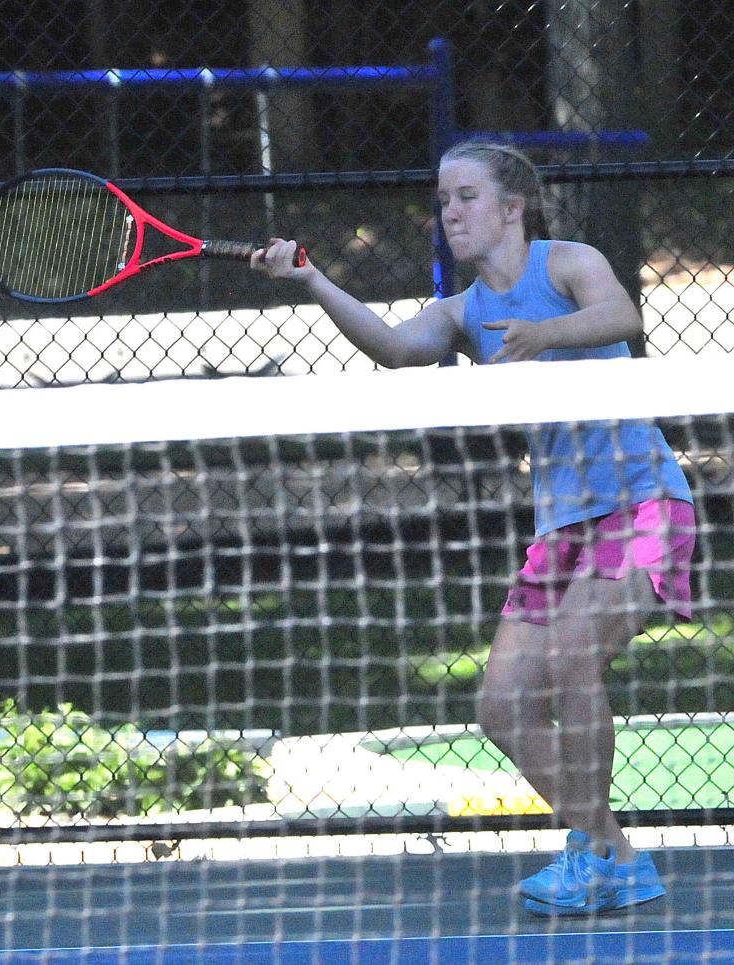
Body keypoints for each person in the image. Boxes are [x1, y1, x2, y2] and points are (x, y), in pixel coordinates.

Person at [251, 140, 695, 917]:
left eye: (465, 196)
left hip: (642, 500)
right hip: (563, 528)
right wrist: (312, 279)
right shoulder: (462, 312)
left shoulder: (566, 262)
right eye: (443, 200)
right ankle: (615, 853)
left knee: (572, 653)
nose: (449, 212)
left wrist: (544, 335)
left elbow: (622, 313)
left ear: (512, 207)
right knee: (500, 705)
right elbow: (395, 348)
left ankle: (592, 854)